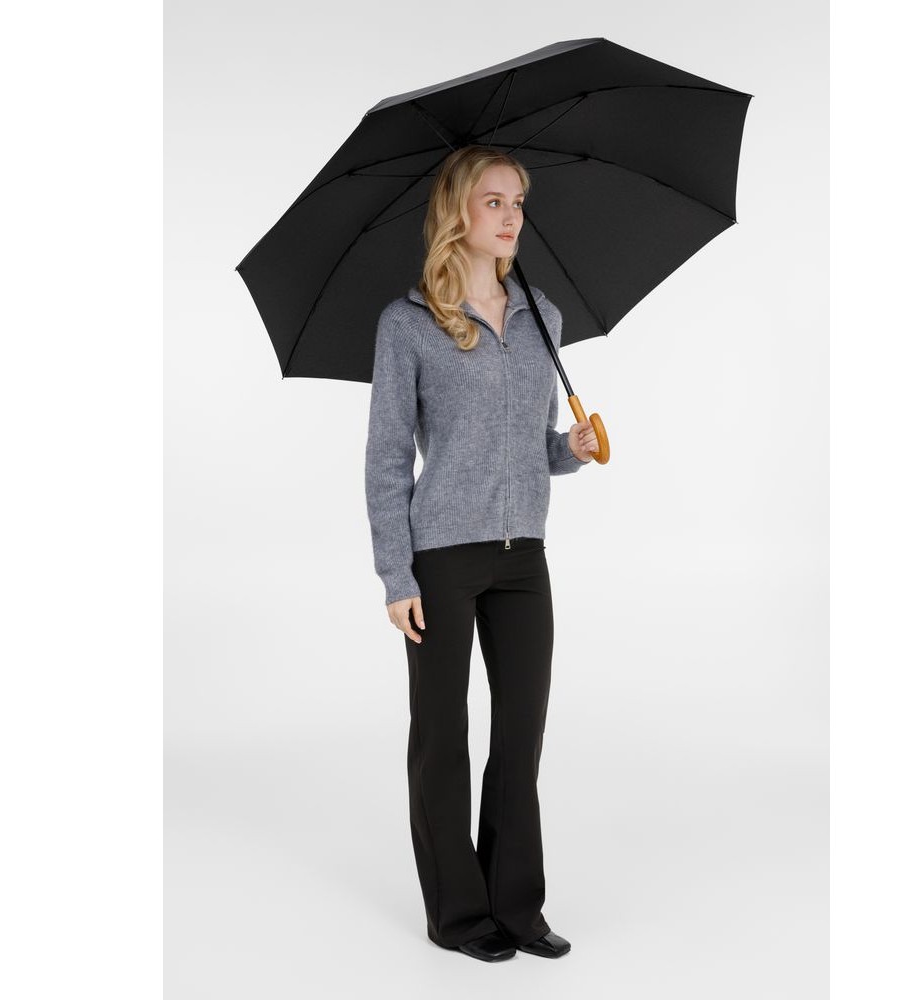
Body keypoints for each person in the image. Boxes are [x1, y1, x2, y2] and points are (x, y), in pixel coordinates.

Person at [364, 145, 597, 963]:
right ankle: (459, 916)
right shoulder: (408, 324)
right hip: (441, 558)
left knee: (520, 737)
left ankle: (518, 908)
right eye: (493, 200)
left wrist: (571, 448)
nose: (511, 216)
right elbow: (388, 457)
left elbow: (531, 446)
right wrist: (396, 573)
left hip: (523, 556)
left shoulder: (543, 319)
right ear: (457, 213)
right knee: (442, 738)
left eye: (518, 201)